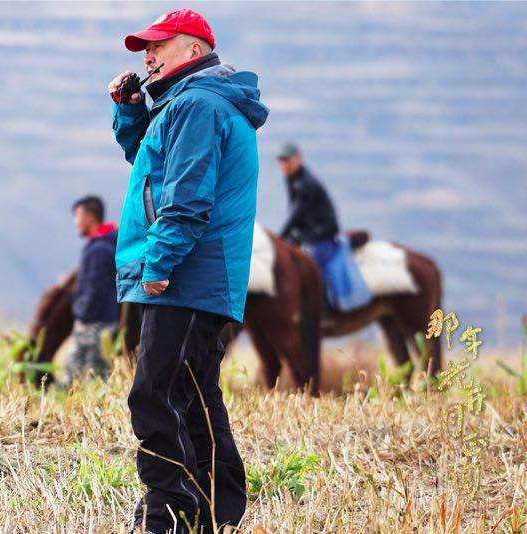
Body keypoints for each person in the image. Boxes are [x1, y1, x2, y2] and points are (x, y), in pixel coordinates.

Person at [108, 9, 269, 533]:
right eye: (144, 49)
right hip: (199, 277)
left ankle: (170, 516)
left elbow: (188, 198)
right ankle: (213, 511)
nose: (147, 56)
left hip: (185, 276)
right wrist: (132, 111)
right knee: (191, 393)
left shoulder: (198, 105)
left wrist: (158, 266)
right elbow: (152, 166)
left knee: (154, 396)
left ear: (194, 52)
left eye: (159, 46)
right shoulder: (189, 105)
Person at [277, 142, 371, 311]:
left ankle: (324, 308)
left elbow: (296, 215)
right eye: (281, 160)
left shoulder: (306, 183)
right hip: (309, 235)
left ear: (298, 159)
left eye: (287, 159)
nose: (284, 164)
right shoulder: (293, 180)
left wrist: (279, 239)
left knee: (311, 268)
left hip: (322, 237)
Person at [64, 195, 119, 385]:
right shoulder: (103, 245)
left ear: (90, 217)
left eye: (77, 216)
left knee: (77, 371)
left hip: (95, 322)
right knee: (98, 372)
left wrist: (82, 312)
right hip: (102, 319)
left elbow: (96, 288)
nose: (75, 222)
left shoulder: (100, 250)